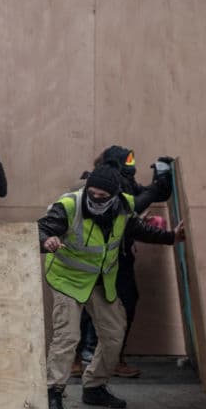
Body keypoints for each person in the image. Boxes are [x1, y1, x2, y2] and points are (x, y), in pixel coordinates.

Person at [39, 163, 182, 409]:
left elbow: (137, 230)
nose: (96, 200)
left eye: (102, 196)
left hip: (100, 281)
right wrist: (46, 240)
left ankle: (95, 387)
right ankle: (53, 394)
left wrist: (170, 237)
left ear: (114, 195)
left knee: (114, 334)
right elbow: (41, 229)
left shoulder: (124, 207)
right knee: (67, 336)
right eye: (92, 194)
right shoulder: (69, 206)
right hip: (66, 279)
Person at [73, 147, 174, 378]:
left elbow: (151, 196)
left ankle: (112, 358)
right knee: (87, 308)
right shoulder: (102, 182)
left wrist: (162, 174)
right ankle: (78, 358)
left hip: (120, 255)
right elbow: (131, 206)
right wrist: (155, 189)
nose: (131, 165)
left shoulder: (126, 181)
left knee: (126, 302)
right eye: (127, 161)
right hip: (96, 257)